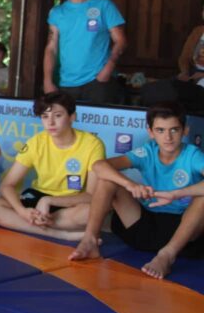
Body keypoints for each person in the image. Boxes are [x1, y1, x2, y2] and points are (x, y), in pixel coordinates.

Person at [70, 102, 204, 279]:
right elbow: (99, 166)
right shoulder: (147, 151)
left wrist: (176, 194)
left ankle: (166, 256)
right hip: (146, 226)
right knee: (107, 179)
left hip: (183, 232)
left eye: (174, 130)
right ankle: (90, 241)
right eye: (161, 130)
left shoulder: (192, 155)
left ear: (185, 130)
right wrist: (130, 185)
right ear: (150, 132)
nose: (168, 137)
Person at [0, 92, 102, 241]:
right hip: (36, 197)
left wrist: (49, 201)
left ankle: (23, 224)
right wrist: (22, 211)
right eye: (45, 117)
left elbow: (91, 195)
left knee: (93, 211)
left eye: (57, 116)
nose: (50, 123)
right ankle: (60, 234)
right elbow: (7, 184)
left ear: (72, 117)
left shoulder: (92, 144)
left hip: (70, 202)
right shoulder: (36, 142)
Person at [43, 0, 126, 104]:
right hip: (67, 82)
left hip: (98, 81)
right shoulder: (57, 12)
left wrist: (108, 68)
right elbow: (51, 48)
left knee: (97, 126)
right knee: (69, 126)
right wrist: (47, 80)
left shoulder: (104, 5)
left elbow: (121, 41)